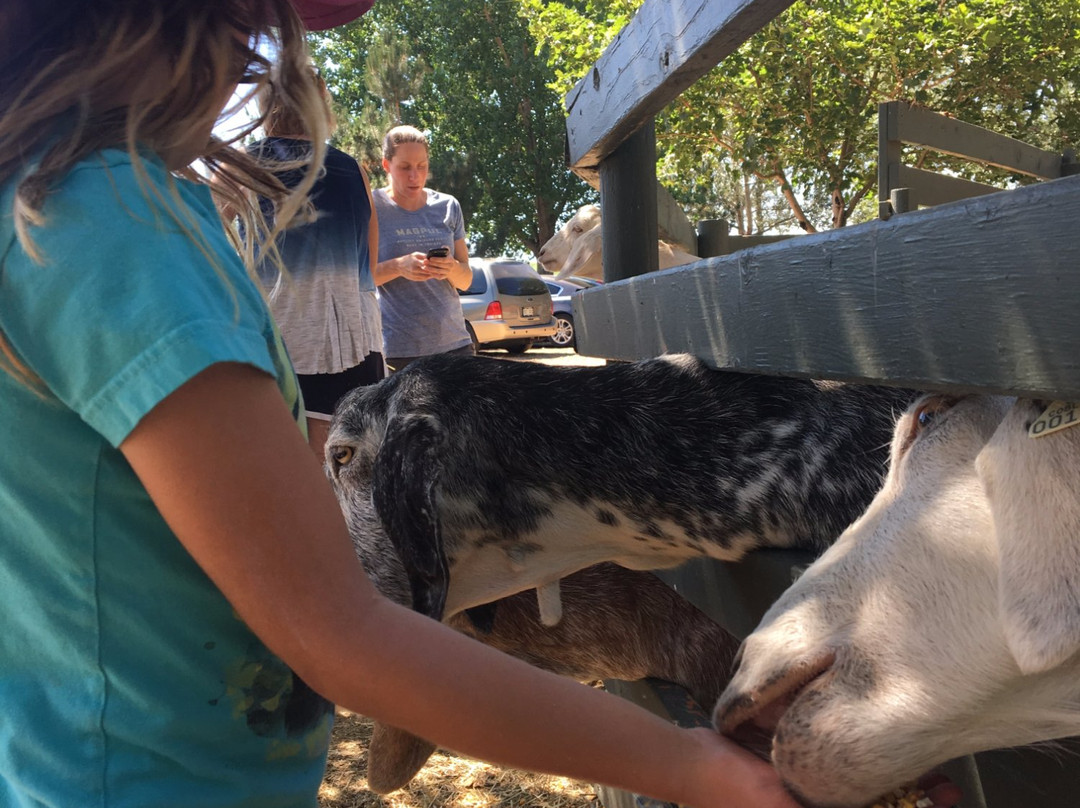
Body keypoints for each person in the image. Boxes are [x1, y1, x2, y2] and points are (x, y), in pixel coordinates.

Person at [0, 3, 955, 808]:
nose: (260, 59)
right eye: (257, 27)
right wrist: (692, 766)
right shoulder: (115, 227)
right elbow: (341, 637)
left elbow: (231, 486)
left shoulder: (47, 208)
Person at [245, 73, 384, 459]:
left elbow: (210, 246)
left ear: (265, 105)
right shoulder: (352, 169)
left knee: (289, 467)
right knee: (357, 470)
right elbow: (369, 268)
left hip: (283, 343)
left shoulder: (244, 166)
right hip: (358, 343)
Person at [372, 125, 476, 372]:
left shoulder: (448, 205)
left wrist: (450, 268)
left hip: (455, 347)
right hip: (398, 352)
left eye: (422, 166)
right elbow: (359, 278)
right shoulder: (372, 207)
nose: (414, 176)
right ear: (386, 165)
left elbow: (466, 280)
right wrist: (399, 266)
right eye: (405, 167)